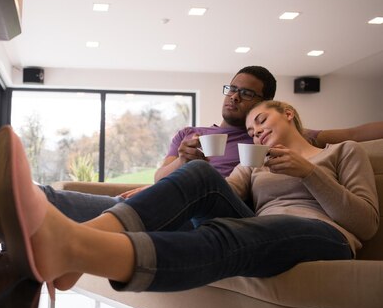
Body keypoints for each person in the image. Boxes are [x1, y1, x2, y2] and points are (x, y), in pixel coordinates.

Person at [0, 100, 379, 294]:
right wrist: (162, 189)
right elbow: (213, 191)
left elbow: (364, 223)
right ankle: (65, 250)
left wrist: (308, 173)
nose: (256, 133)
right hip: (264, 224)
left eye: (262, 121)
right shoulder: (255, 164)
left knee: (228, 236)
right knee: (199, 173)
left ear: (287, 113)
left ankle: (72, 245)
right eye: (253, 131)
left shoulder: (341, 152)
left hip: (325, 234)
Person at [40, 65, 383, 221]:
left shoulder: (277, 135)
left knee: (192, 186)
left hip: (223, 206)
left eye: (246, 93)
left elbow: (357, 132)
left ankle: (40, 203)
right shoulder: (190, 133)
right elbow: (161, 178)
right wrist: (183, 162)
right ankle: (32, 200)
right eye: (231, 89)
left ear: (268, 105)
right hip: (181, 196)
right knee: (112, 201)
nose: (234, 97)